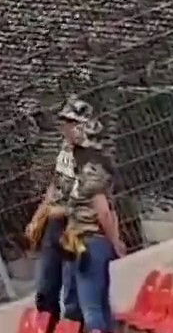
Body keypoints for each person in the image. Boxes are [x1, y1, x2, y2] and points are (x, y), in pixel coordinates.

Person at [25, 97, 97, 329]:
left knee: (72, 284)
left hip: (77, 226)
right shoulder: (66, 149)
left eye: (72, 122)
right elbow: (55, 185)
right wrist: (38, 217)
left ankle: (75, 326)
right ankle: (46, 323)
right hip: (55, 223)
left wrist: (62, 210)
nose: (66, 127)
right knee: (46, 281)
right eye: (65, 122)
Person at [60, 113, 125, 333]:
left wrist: (115, 241)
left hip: (87, 242)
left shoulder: (87, 171)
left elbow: (103, 211)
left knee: (91, 306)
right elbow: (107, 211)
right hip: (86, 242)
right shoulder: (90, 169)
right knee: (99, 303)